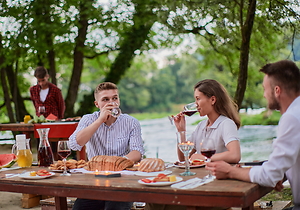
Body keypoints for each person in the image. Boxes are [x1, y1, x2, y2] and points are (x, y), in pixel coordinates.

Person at [207, 60, 300, 210]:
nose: (264, 95)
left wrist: (231, 171)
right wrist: (280, 173)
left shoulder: (291, 117)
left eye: (265, 89)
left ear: (277, 90)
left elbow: (269, 175)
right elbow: (286, 162)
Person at [145, 79, 241, 210]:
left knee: (160, 202)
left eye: (198, 99)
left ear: (212, 100)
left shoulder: (226, 124)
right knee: (153, 200)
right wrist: (181, 131)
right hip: (199, 181)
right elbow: (183, 158)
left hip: (215, 186)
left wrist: (207, 159)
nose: (195, 105)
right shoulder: (202, 126)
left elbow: (235, 155)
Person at [69, 82, 145, 210]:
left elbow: (137, 152)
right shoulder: (88, 119)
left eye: (115, 98)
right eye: (105, 99)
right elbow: (74, 144)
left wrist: (116, 163)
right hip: (94, 181)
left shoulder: (131, 122)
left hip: (122, 181)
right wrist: (100, 121)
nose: (111, 102)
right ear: (97, 104)